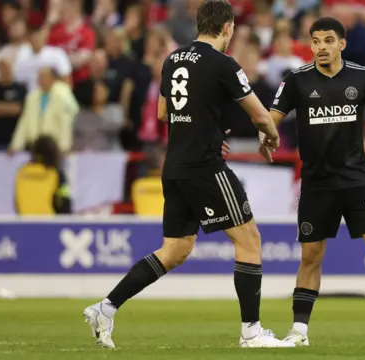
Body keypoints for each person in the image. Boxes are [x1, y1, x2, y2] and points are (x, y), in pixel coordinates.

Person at [82, 0, 291, 349]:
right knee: (250, 239)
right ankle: (251, 332)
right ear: (227, 28)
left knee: (175, 250)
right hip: (204, 167)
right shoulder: (224, 64)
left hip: (175, 166)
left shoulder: (173, 59)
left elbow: (165, 113)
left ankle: (106, 307)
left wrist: (205, 128)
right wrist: (271, 136)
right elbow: (259, 115)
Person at [266, 17, 365, 348]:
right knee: (310, 256)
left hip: (356, 179)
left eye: (328, 40)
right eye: (316, 41)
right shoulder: (296, 81)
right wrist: (266, 135)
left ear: (342, 44)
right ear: (310, 45)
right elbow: (271, 118)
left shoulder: (361, 76)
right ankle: (299, 332)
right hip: (317, 183)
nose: (321, 46)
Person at [14, 135, 71, 215]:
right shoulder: (56, 173)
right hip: (48, 224)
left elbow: (16, 202)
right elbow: (65, 203)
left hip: (24, 221)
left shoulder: (22, 171)